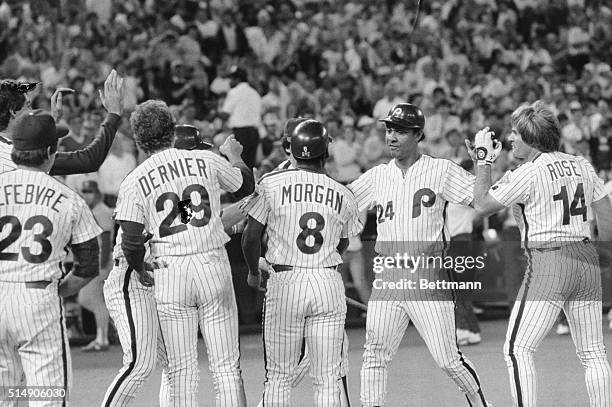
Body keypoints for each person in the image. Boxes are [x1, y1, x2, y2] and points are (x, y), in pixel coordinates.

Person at [470, 100, 612, 407]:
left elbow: (480, 206)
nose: (509, 138)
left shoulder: (529, 172)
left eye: (515, 134)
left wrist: (482, 161)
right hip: (585, 257)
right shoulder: (582, 164)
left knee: (516, 349)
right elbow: (605, 212)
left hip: (549, 261)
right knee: (593, 353)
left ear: (532, 138)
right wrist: (604, 257)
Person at [114, 100, 254, 406]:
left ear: (138, 139)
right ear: (171, 127)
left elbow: (132, 242)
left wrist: (139, 268)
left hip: (169, 270)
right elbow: (246, 187)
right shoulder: (205, 159)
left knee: (181, 370)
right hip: (212, 262)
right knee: (226, 367)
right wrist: (236, 157)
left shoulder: (135, 179)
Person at [350, 103, 490, 407]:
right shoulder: (376, 176)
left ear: (418, 134)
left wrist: (484, 164)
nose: (391, 136)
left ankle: (481, 404)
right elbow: (340, 203)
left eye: (399, 130)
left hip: (427, 277)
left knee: (448, 360)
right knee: (374, 355)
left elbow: (480, 201)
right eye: (389, 129)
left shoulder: (440, 169)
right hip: (387, 278)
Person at [241, 119, 362, 406]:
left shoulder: (270, 183)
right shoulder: (343, 193)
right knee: (328, 378)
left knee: (279, 377)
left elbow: (250, 237)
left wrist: (252, 273)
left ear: (292, 150)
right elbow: (341, 243)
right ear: (326, 153)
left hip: (286, 280)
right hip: (327, 279)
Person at [101, 124, 209, 407]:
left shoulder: (178, 191)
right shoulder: (144, 181)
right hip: (130, 276)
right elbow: (131, 243)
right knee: (140, 363)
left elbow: (197, 224)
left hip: (153, 279)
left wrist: (245, 208)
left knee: (175, 364)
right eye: (196, 152)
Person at [0, 110, 101, 404]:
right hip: (37, 298)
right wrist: (61, 290)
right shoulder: (68, 198)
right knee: (47, 397)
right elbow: (88, 264)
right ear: (49, 152)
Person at [0, 69, 124, 175]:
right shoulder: (14, 154)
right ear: (13, 111)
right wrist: (113, 114)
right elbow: (88, 160)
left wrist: (53, 120)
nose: (31, 110)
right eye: (27, 106)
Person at [77, 180, 114, 352]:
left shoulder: (103, 211)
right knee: (86, 299)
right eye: (84, 191)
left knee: (97, 301)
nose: (86, 194)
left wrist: (102, 265)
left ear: (97, 193)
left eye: (89, 191)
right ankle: (110, 325)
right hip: (95, 260)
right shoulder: (93, 211)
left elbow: (106, 240)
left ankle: (102, 338)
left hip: (101, 261)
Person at [220, 65, 262, 169]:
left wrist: (215, 110)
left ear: (237, 79)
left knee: (238, 166)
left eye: (231, 79)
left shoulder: (234, 92)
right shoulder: (255, 92)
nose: (229, 81)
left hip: (241, 134)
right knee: (250, 166)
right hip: (254, 133)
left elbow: (225, 114)